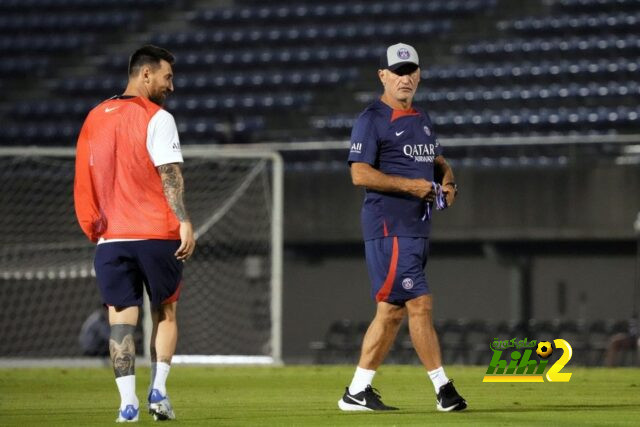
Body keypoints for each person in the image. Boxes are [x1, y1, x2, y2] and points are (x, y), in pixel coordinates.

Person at [339, 43, 466, 412]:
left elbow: (438, 162)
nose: (405, 78)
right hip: (389, 227)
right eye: (398, 71)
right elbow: (359, 173)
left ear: (420, 75)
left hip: (416, 228)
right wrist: (411, 186)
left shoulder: (422, 118)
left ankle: (357, 391)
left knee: (391, 311)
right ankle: (444, 390)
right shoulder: (371, 118)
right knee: (419, 303)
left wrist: (448, 183)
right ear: (383, 76)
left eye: (411, 71)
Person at [74, 45, 196, 422]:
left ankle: (127, 405)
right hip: (156, 234)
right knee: (166, 313)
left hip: (112, 237)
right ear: (146, 74)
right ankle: (158, 392)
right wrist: (185, 221)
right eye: (167, 77)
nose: (170, 86)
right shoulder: (158, 117)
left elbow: (83, 177)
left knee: (120, 320)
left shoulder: (94, 117)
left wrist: (94, 225)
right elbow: (169, 174)